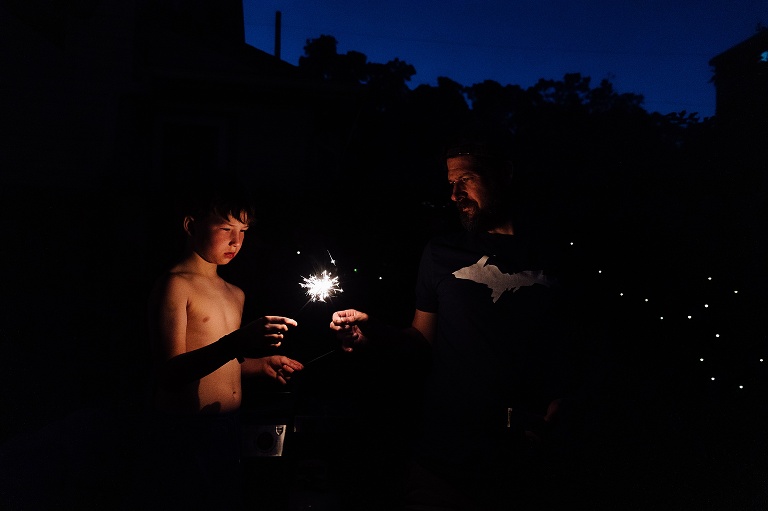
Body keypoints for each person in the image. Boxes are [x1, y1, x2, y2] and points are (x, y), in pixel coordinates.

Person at [330, 140, 589, 509]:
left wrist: (570, 400)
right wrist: (369, 334)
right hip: (447, 457)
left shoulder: (557, 254)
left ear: (504, 175)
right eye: (451, 182)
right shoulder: (441, 253)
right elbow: (421, 340)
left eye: (466, 179)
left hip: (532, 456)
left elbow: (581, 343)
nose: (454, 194)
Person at [142, 183, 304, 510]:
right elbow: (169, 373)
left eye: (243, 231)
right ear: (191, 226)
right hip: (184, 430)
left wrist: (260, 365)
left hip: (228, 427)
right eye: (225, 228)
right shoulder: (176, 285)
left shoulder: (235, 292)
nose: (236, 241)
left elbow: (222, 363)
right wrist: (237, 343)